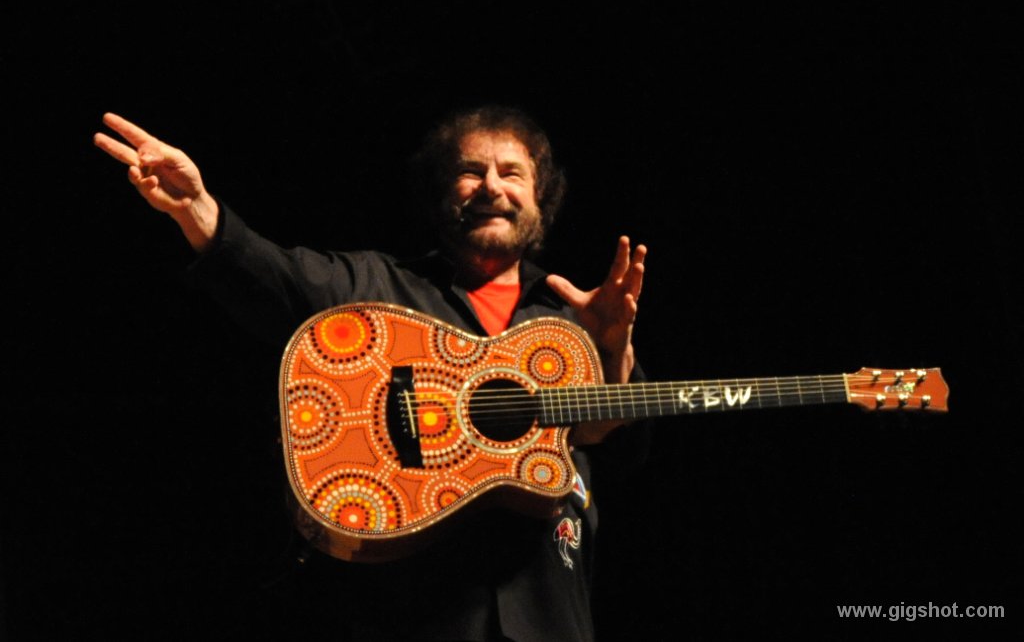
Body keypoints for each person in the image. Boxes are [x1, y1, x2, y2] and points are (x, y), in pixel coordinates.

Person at [94, 105, 648, 641]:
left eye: (512, 173)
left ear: (539, 198)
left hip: (547, 617)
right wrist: (195, 208)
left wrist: (614, 350)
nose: (491, 187)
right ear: (441, 193)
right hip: (403, 615)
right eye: (470, 171)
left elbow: (627, 449)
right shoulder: (375, 288)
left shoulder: (567, 325)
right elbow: (272, 281)